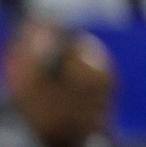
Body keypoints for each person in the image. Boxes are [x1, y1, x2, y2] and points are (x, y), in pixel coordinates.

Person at [0, 19, 115, 147]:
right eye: (83, 97)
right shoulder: (8, 137)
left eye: (101, 101)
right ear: (46, 89)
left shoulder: (97, 141)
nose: (96, 117)